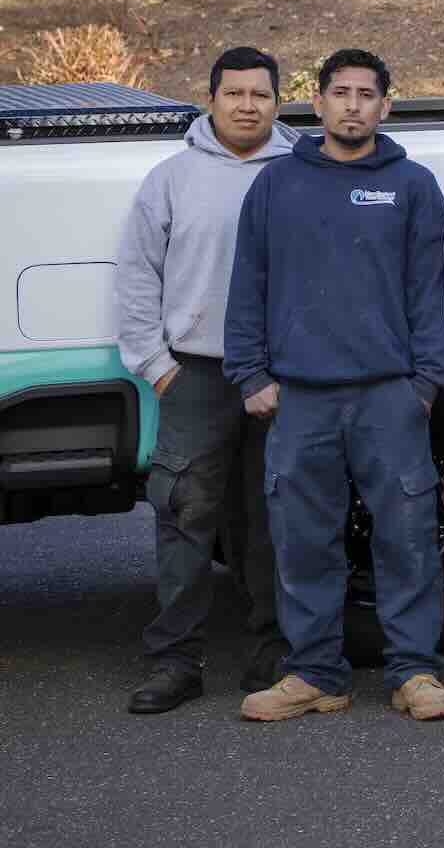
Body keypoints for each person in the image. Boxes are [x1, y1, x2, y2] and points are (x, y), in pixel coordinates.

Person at [224, 48, 444, 723]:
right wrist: (250, 374)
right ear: (317, 102)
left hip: (390, 395)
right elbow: (249, 284)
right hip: (300, 397)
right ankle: (314, 673)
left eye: (366, 94)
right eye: (340, 93)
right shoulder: (275, 185)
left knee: (407, 537)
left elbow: (430, 293)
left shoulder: (413, 185)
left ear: (386, 106)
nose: (353, 105)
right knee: (304, 541)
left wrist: (425, 383)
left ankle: (415, 670)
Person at [116, 47, 296, 715]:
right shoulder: (172, 178)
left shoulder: (302, 173)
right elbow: (137, 277)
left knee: (273, 518)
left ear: (279, 101)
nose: (248, 104)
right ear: (211, 100)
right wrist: (157, 368)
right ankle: (175, 660)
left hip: (283, 376)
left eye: (260, 93)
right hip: (194, 372)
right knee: (185, 515)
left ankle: (275, 650)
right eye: (234, 93)